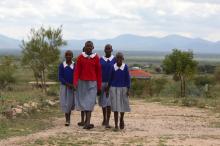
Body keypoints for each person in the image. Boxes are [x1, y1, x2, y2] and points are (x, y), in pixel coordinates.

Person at [74, 41, 102, 130]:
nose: (89, 48)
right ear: (84, 47)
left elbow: (99, 73)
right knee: (84, 102)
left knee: (90, 102)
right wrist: (75, 83)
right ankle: (87, 122)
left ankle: (88, 122)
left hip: (93, 83)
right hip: (82, 82)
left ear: (93, 47)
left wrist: (99, 86)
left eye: (90, 46)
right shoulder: (80, 57)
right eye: (87, 46)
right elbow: (77, 71)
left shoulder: (96, 58)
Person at [107, 52, 131, 130]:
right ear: (115, 59)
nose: (119, 59)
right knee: (115, 107)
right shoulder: (112, 67)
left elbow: (128, 79)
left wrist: (128, 89)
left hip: (123, 89)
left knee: (122, 106)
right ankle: (116, 125)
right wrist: (108, 89)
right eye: (117, 57)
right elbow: (109, 79)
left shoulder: (125, 67)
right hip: (114, 89)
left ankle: (121, 119)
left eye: (120, 58)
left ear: (123, 59)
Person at [99, 44, 115, 128]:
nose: (108, 50)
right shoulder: (100, 59)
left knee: (109, 103)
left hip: (111, 84)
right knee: (103, 102)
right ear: (104, 50)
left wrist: (109, 85)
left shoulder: (115, 60)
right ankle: (104, 118)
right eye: (106, 48)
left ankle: (108, 121)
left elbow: (116, 73)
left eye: (109, 49)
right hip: (102, 83)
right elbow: (98, 71)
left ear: (112, 50)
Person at [58, 50, 75, 126]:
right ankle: (67, 120)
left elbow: (76, 75)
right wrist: (67, 84)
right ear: (65, 56)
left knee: (70, 103)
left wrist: (74, 85)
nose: (68, 56)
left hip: (72, 87)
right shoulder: (62, 65)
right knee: (65, 102)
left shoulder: (75, 65)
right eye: (67, 55)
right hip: (64, 87)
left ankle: (69, 118)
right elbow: (60, 77)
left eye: (70, 55)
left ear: (72, 56)